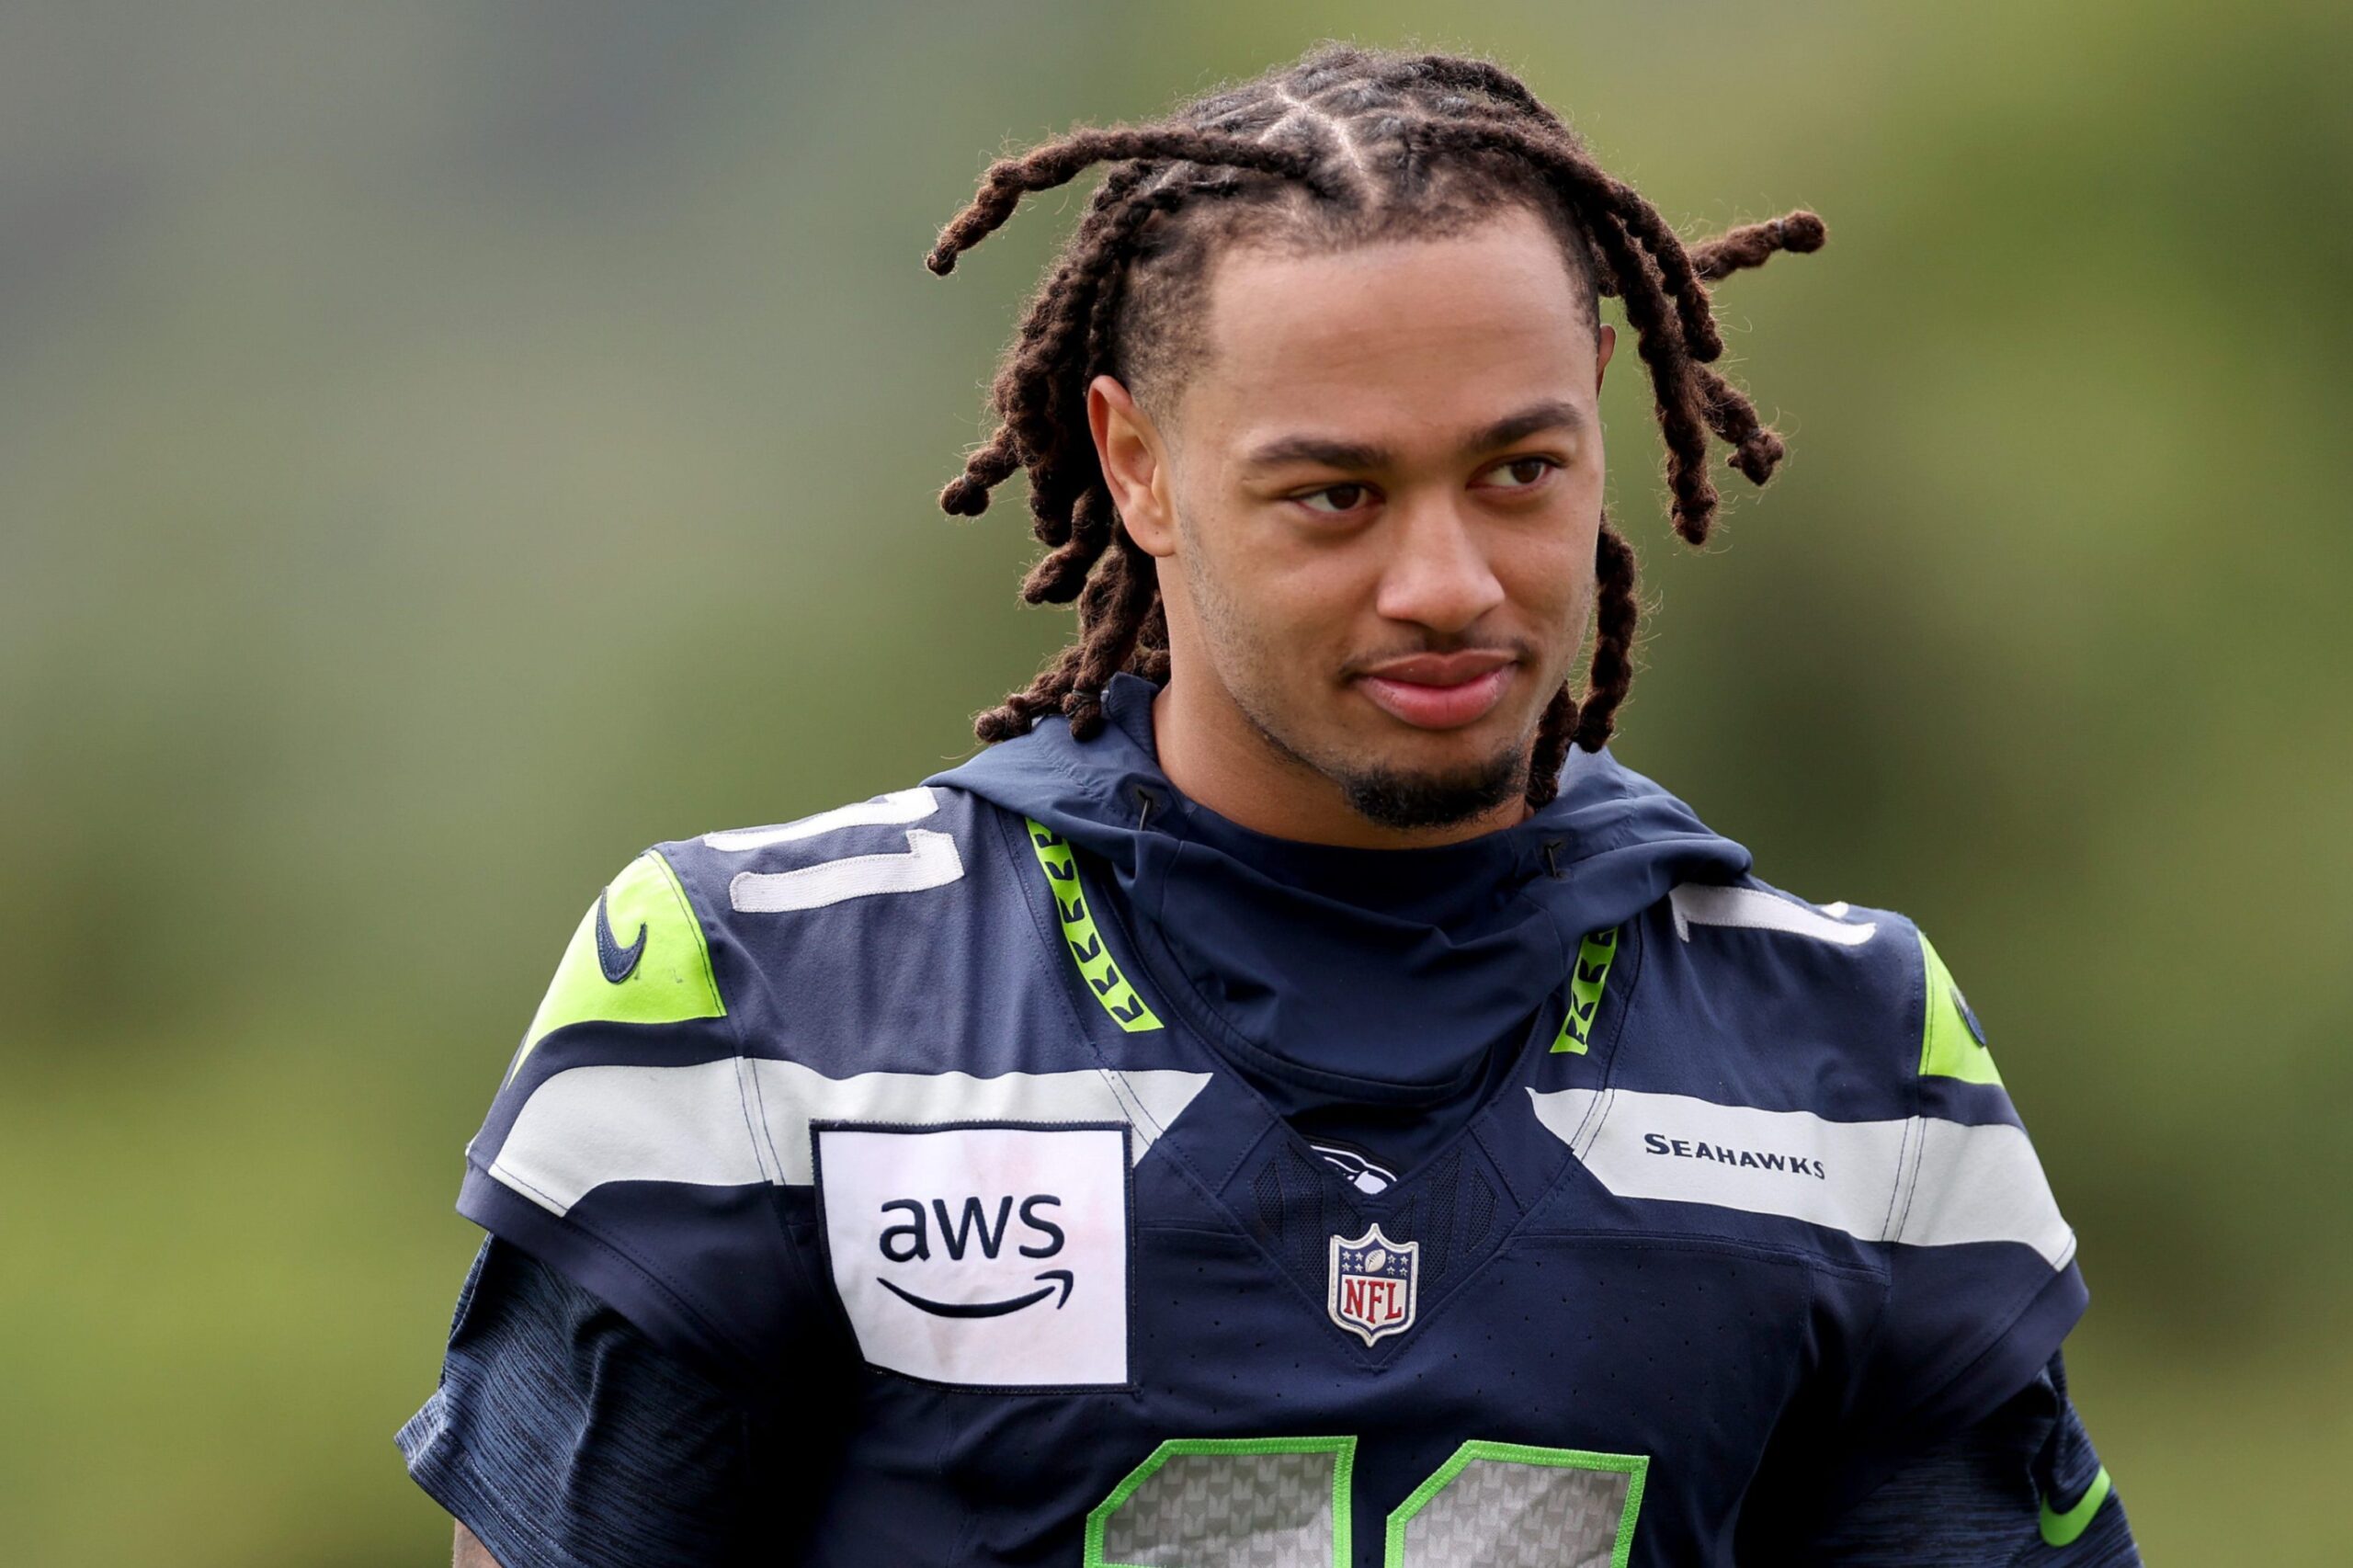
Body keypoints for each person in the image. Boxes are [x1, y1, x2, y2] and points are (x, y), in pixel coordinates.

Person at [399, 43, 2140, 1566]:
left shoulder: (1854, 1050)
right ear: (1138, 465)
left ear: (1602, 412)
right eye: (1336, 495)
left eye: (1518, 469)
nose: (1448, 581)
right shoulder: (762, 1003)